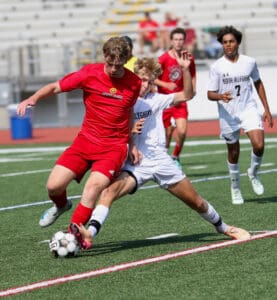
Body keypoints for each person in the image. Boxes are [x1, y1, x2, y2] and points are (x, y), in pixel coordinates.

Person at [69, 55, 250, 250]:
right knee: (108, 192)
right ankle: (90, 234)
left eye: (149, 80)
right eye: (142, 79)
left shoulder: (157, 100)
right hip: (136, 164)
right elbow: (108, 129)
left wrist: (186, 70)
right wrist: (129, 131)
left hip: (161, 162)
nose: (145, 84)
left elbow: (187, 94)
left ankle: (224, 228)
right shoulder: (122, 99)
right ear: (134, 78)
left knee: (196, 202)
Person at [16, 37, 142, 228]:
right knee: (54, 186)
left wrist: (131, 143)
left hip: (113, 147)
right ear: (104, 56)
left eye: (119, 65)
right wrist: (33, 98)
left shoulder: (134, 82)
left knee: (92, 189)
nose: (114, 69)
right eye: (110, 64)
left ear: (126, 60)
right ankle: (62, 205)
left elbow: (129, 111)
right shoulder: (89, 73)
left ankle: (72, 235)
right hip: (85, 141)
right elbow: (56, 87)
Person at [207, 25, 274, 205]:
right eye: (225, 42)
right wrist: (221, 96)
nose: (228, 45)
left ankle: (253, 172)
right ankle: (235, 186)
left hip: (248, 109)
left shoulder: (249, 62)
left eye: (232, 41)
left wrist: (266, 109)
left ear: (237, 43)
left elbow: (258, 83)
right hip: (228, 114)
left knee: (259, 145)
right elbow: (209, 94)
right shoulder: (217, 67)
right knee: (234, 151)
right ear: (221, 44)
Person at [154, 27, 197, 168]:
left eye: (181, 39)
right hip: (165, 101)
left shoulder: (188, 57)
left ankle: (176, 156)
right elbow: (152, 77)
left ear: (184, 41)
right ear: (171, 41)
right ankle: (164, 160)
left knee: (183, 131)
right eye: (176, 39)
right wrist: (165, 84)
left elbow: (193, 73)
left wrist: (193, 87)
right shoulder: (163, 58)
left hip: (180, 99)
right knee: (166, 134)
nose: (178, 42)